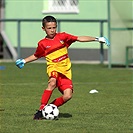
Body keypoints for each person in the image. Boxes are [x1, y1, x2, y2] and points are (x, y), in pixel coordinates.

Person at [16, 15, 110, 120]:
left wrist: (97, 39)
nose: (52, 30)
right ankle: (40, 110)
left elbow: (79, 38)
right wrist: (24, 60)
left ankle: (49, 109)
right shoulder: (42, 43)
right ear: (43, 29)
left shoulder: (63, 37)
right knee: (52, 83)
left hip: (65, 71)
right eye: (49, 28)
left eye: (54, 27)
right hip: (53, 68)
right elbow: (36, 55)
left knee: (68, 95)